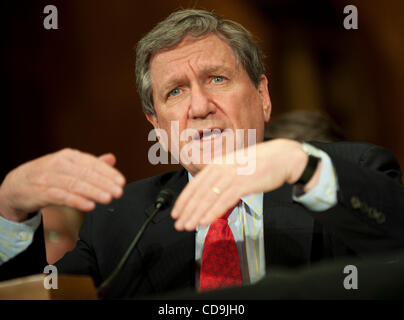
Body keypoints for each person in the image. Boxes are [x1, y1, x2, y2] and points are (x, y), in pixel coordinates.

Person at [1, 9, 404, 299]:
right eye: (175, 91)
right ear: (158, 126)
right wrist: (10, 211)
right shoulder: (118, 221)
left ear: (262, 96)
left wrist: (303, 165)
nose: (199, 106)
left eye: (217, 78)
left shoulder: (343, 172)